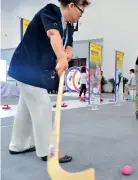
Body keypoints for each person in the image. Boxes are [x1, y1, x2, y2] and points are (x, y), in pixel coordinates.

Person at [7, 0, 91, 163]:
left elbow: (69, 45)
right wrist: (60, 57)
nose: (81, 15)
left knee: (25, 107)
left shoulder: (70, 26)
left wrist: (67, 53)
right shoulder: (50, 11)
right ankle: (48, 151)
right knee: (42, 104)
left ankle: (18, 145)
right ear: (72, 5)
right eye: (81, 10)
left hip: (31, 69)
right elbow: (53, 34)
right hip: (27, 66)